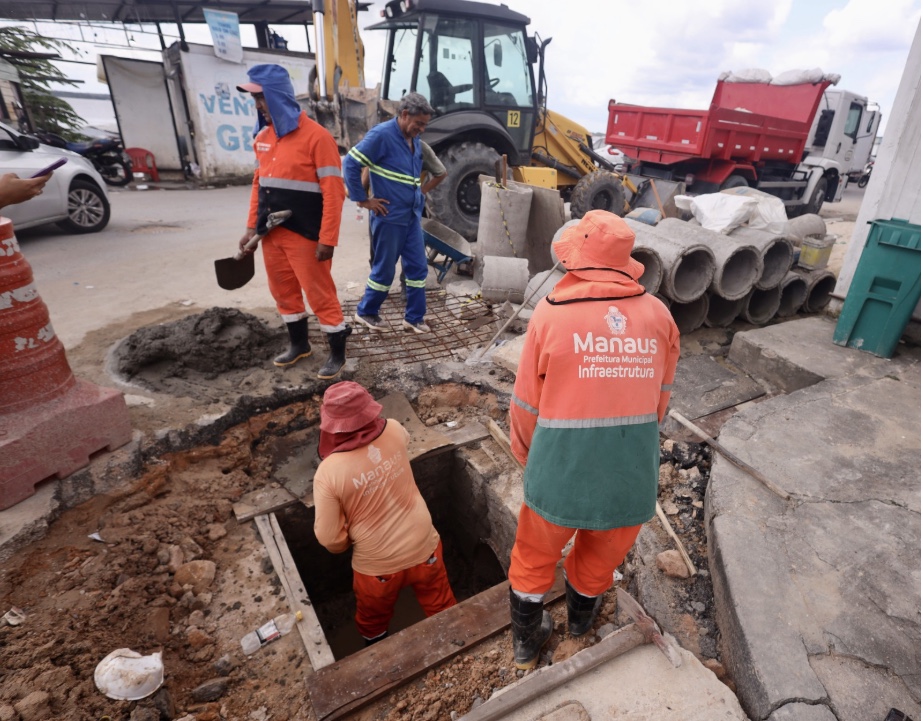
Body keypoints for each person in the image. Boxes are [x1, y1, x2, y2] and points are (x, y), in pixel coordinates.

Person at [506, 210, 680, 670]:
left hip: (559, 472)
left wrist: (530, 459)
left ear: (576, 261)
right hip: (629, 473)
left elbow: (526, 406)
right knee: (600, 559)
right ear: (625, 263)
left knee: (534, 557)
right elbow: (659, 402)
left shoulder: (552, 314)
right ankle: (581, 626)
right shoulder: (660, 316)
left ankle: (527, 645)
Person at [313, 381, 457, 645]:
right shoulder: (393, 429)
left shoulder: (328, 473)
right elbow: (401, 444)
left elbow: (330, 539)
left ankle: (378, 651)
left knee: (373, 618)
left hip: (377, 568)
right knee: (441, 603)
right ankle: (455, 644)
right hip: (425, 547)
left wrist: (351, 541)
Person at [236, 64, 351, 380]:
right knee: (283, 290)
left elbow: (334, 193)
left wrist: (327, 239)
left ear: (278, 96)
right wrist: (250, 228)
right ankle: (299, 345)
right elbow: (259, 186)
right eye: (255, 99)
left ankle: (337, 353)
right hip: (272, 234)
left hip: (306, 234)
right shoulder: (262, 138)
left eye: (261, 98)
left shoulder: (318, 138)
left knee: (319, 293)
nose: (258, 106)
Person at [343, 93, 435, 334]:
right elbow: (351, 163)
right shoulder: (382, 135)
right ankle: (366, 312)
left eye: (425, 124)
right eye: (419, 123)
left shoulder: (413, 141)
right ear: (405, 115)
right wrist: (362, 200)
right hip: (390, 217)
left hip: (411, 215)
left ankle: (414, 318)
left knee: (417, 267)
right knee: (384, 269)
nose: (422, 129)